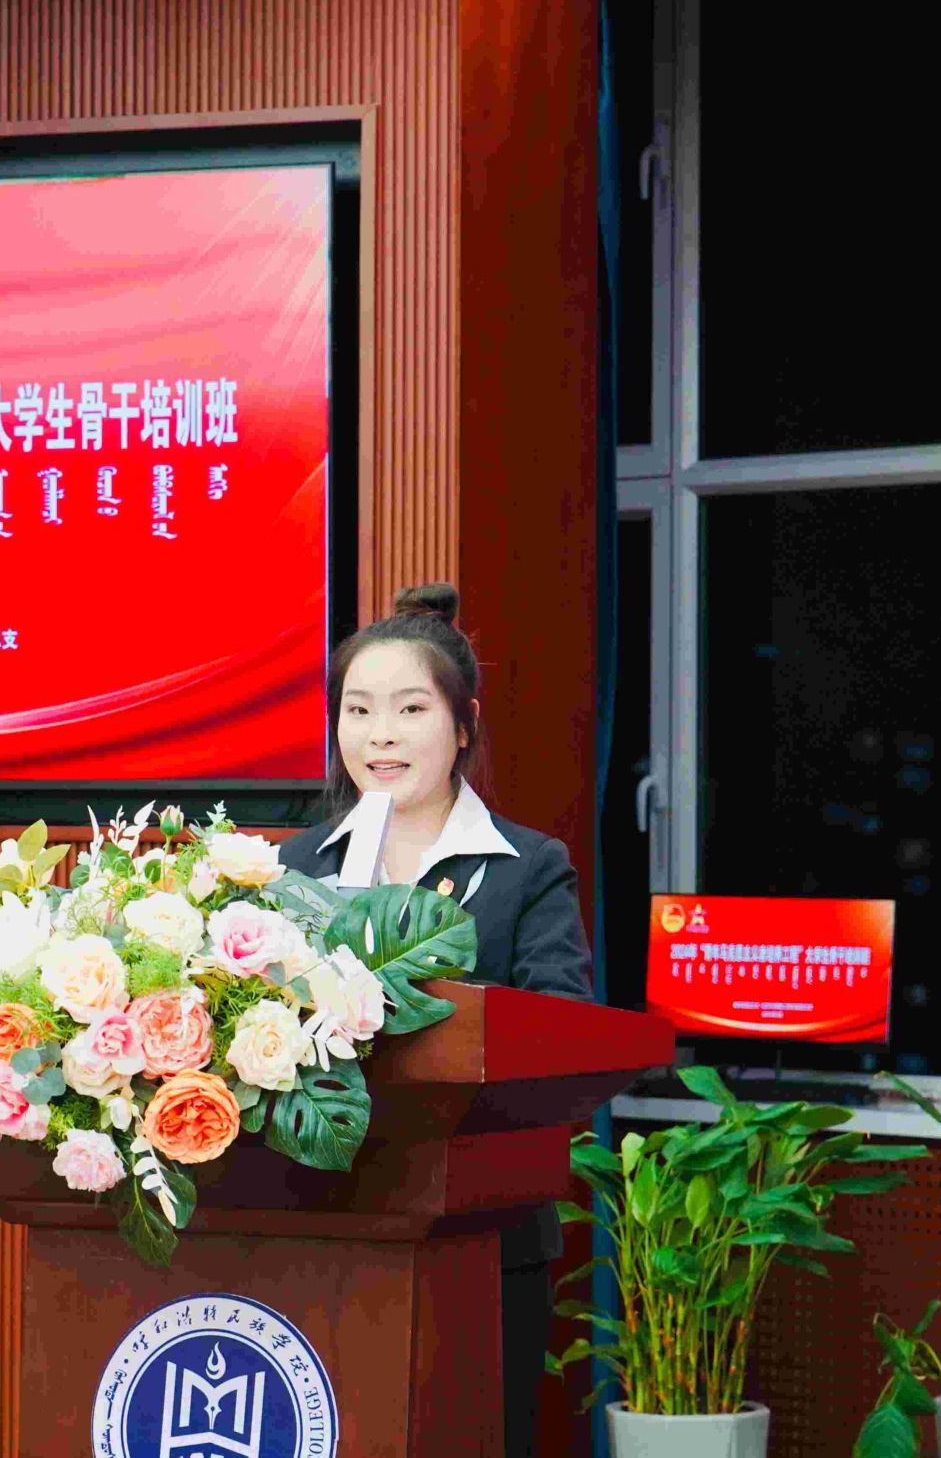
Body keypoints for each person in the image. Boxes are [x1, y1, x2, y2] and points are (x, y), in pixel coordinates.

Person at [278, 582, 593, 1458]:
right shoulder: (294, 866)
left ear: (463, 726)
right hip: (313, 1222)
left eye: (410, 709)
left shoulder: (527, 866)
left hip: (482, 1233)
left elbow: (561, 1031)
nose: (380, 734)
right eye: (359, 710)